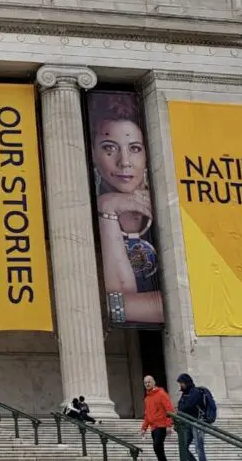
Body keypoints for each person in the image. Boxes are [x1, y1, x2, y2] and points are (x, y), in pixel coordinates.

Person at [90, 93, 164, 325]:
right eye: (110, 147)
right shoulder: (85, 210)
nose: (124, 162)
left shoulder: (169, 203)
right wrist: (107, 209)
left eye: (134, 148)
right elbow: (117, 308)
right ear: (93, 153)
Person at [176, 373, 211, 461]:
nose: (180, 385)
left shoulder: (196, 392)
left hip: (197, 422)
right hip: (187, 423)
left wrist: (182, 408)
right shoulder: (184, 394)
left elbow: (188, 406)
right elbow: (180, 407)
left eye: (181, 383)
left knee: (199, 447)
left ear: (186, 382)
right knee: (183, 447)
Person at [140, 375, 174, 461]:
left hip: (161, 426)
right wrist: (144, 428)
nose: (147, 384)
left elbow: (169, 409)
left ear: (154, 382)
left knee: (157, 446)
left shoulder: (161, 394)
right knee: (158, 449)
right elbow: (147, 415)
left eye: (149, 382)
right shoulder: (147, 399)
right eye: (145, 383)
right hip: (153, 428)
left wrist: (169, 425)